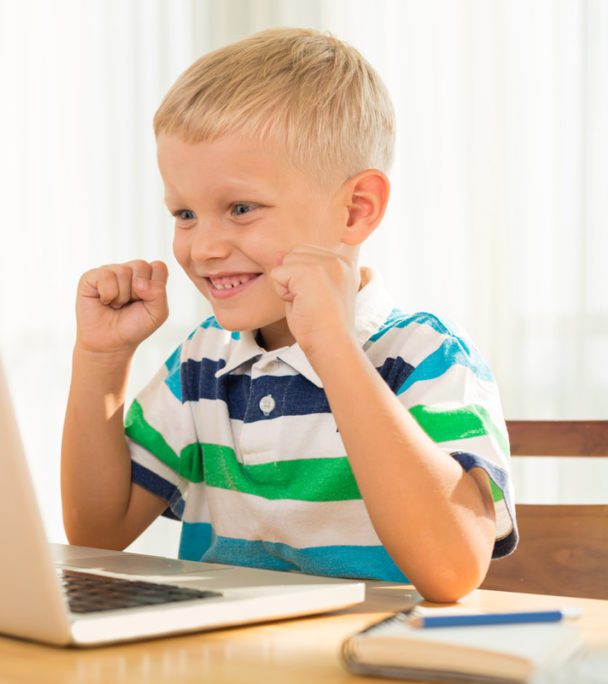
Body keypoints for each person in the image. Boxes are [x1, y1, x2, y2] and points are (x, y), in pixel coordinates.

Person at [60, 27, 516, 603]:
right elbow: (97, 532)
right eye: (185, 213)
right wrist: (101, 361)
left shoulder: (426, 356)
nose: (202, 249)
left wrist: (333, 348)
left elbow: (452, 572)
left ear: (355, 210)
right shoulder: (204, 361)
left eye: (241, 208)